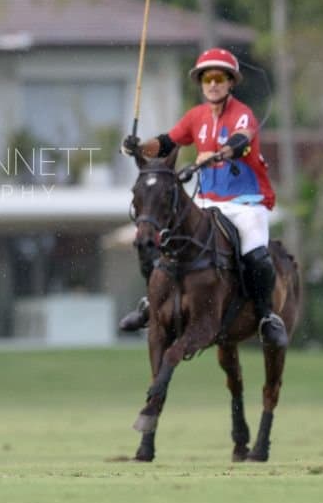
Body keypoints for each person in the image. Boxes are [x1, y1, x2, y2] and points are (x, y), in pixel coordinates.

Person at [119, 47, 289, 348]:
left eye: (219, 77)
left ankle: (266, 317)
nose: (212, 83)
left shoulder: (242, 114)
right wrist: (137, 147)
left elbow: (241, 140)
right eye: (206, 78)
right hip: (207, 201)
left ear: (230, 82)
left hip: (245, 203)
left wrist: (218, 154)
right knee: (165, 240)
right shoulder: (195, 117)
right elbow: (166, 142)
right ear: (200, 83)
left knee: (257, 255)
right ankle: (151, 304)